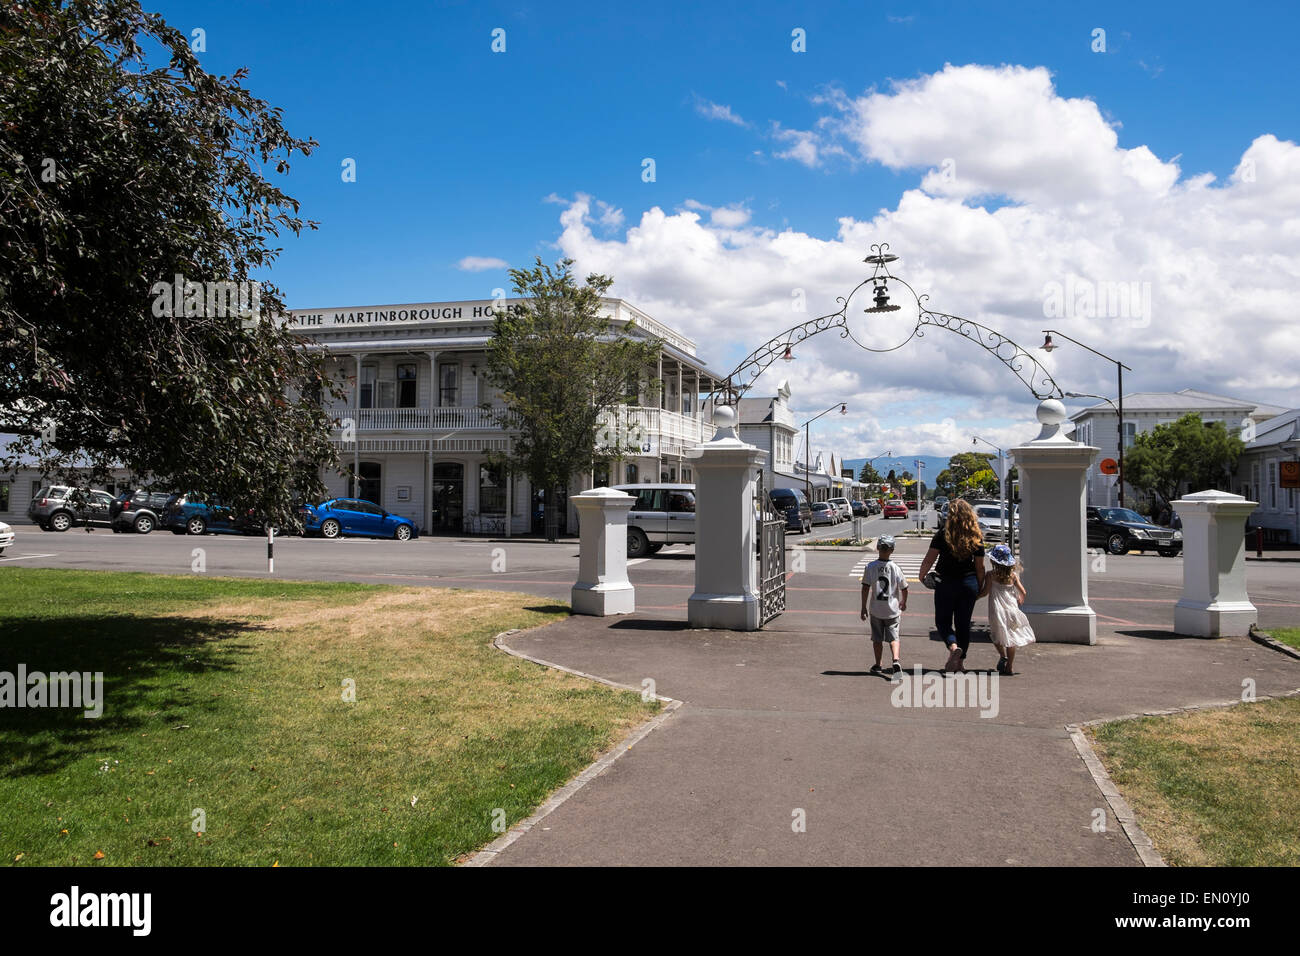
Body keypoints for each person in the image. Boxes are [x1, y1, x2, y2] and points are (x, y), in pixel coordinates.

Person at [918, 499, 986, 673]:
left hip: (946, 582)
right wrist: (980, 586)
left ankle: (953, 647)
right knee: (963, 624)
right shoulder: (976, 536)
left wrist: (922, 576)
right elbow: (980, 566)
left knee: (942, 621)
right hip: (968, 584)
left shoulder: (943, 534)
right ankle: (960, 663)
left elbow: (930, 558)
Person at [979, 544, 1035, 675]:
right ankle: (1009, 666)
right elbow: (1024, 592)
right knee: (1011, 638)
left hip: (997, 610)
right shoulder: (1013, 576)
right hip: (1012, 610)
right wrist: (1020, 600)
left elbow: (985, 592)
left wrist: (975, 597)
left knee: (995, 635)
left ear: (994, 561)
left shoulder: (990, 575)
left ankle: (1002, 656)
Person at [860, 533, 908, 675]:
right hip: (892, 610)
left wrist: (863, 607)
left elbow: (865, 587)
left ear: (877, 548)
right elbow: (904, 588)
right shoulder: (895, 568)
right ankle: (896, 660)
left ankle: (878, 664)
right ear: (892, 550)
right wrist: (903, 602)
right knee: (894, 638)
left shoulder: (870, 566)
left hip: (876, 610)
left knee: (877, 639)